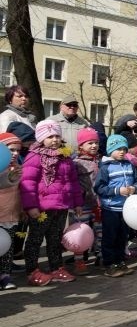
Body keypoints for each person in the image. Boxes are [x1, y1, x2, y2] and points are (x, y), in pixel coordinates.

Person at [19, 120, 84, 286]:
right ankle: (32, 271)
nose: (54, 140)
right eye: (49, 136)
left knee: (55, 239)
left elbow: (73, 181)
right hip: (41, 208)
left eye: (56, 136)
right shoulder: (35, 156)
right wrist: (31, 206)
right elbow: (28, 183)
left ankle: (57, 267)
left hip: (61, 206)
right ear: (41, 138)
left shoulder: (65, 156)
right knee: (35, 239)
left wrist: (77, 202)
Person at [94, 135, 137, 277]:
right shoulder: (105, 167)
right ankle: (109, 264)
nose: (121, 152)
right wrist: (117, 191)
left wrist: (134, 188)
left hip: (126, 209)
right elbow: (99, 188)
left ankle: (120, 261)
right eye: (118, 149)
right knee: (110, 237)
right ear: (110, 150)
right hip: (111, 209)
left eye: (124, 149)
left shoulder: (130, 165)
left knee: (122, 237)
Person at [72, 127, 102, 274]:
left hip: (98, 204)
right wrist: (77, 201)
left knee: (99, 231)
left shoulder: (100, 161)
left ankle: (100, 256)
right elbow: (73, 184)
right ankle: (79, 260)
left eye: (96, 142)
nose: (94, 146)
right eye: (90, 143)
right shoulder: (76, 163)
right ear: (81, 146)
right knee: (80, 233)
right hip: (82, 205)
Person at [0, 132, 23, 290]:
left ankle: (5, 276)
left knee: (7, 248)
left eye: (17, 150)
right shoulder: (2, 167)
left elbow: (21, 191)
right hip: (0, 213)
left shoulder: (18, 167)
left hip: (12, 214)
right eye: (11, 149)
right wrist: (8, 179)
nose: (15, 153)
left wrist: (21, 209)